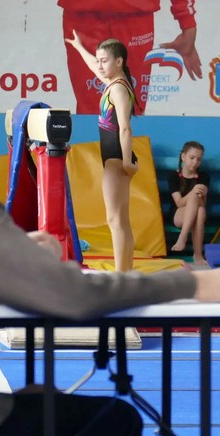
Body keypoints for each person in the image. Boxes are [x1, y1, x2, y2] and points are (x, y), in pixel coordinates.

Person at [0, 59, 220, 436]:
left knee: (118, 222)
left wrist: (15, 253)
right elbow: (76, 296)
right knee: (119, 419)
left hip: (119, 165)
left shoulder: (119, 89)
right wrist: (186, 281)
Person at [65, 32, 139, 272]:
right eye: (99, 60)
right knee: (120, 220)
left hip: (117, 158)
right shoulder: (114, 84)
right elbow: (92, 66)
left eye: (104, 61)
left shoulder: (118, 89)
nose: (99, 65)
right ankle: (125, 272)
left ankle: (121, 274)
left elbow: (125, 128)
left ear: (119, 61)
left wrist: (126, 162)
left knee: (115, 221)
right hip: (116, 157)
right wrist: (79, 46)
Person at [60, 0, 202, 114]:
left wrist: (187, 21)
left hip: (135, 13)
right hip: (82, 14)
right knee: (92, 111)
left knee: (130, 108)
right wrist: (187, 22)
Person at [168, 140, 209, 264]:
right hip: (178, 214)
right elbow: (179, 203)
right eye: (192, 158)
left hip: (198, 212)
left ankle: (195, 252)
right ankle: (189, 243)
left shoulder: (204, 176)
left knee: (200, 211)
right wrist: (193, 193)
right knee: (195, 198)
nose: (195, 162)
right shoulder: (173, 176)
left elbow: (202, 204)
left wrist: (203, 193)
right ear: (183, 156)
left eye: (199, 159)